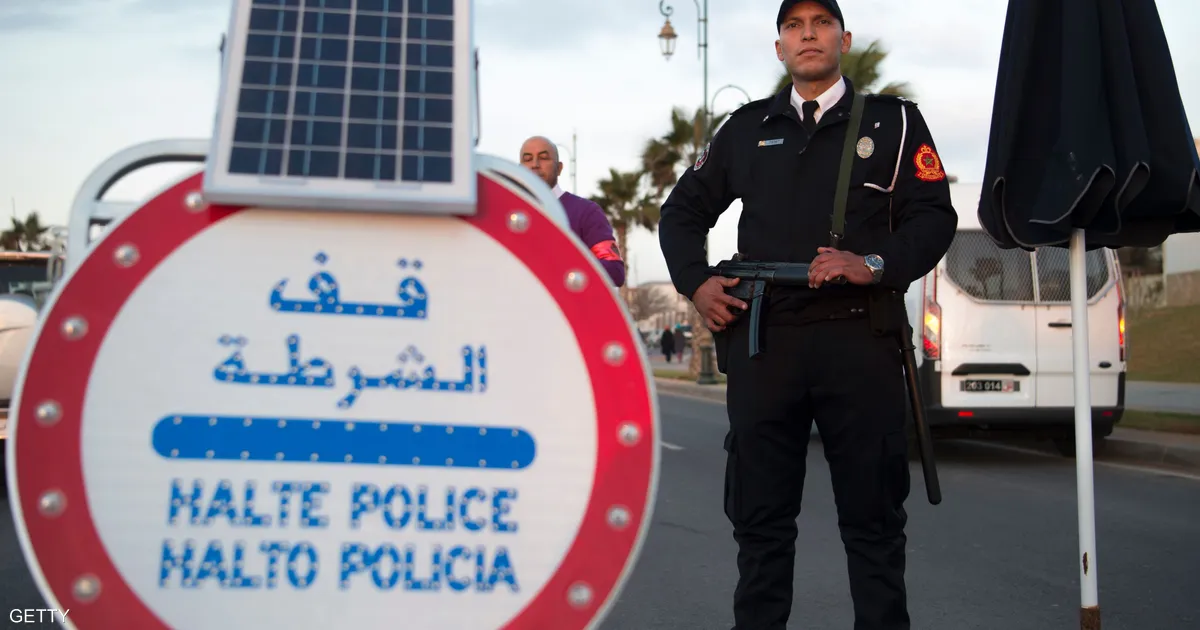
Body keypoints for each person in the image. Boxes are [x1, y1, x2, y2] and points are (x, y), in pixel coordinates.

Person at [656, 1, 958, 629]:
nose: (808, 34)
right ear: (780, 49)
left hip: (859, 337)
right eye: (793, 27)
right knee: (760, 523)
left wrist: (873, 262)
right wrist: (696, 283)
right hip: (766, 341)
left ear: (843, 39)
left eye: (820, 23)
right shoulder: (747, 127)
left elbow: (934, 218)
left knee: (874, 523)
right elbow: (681, 212)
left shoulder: (894, 123)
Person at [519, 136, 626, 287]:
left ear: (559, 168)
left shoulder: (586, 211)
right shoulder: (508, 212)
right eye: (528, 159)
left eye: (543, 158)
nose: (535, 165)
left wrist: (563, 263)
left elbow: (615, 271)